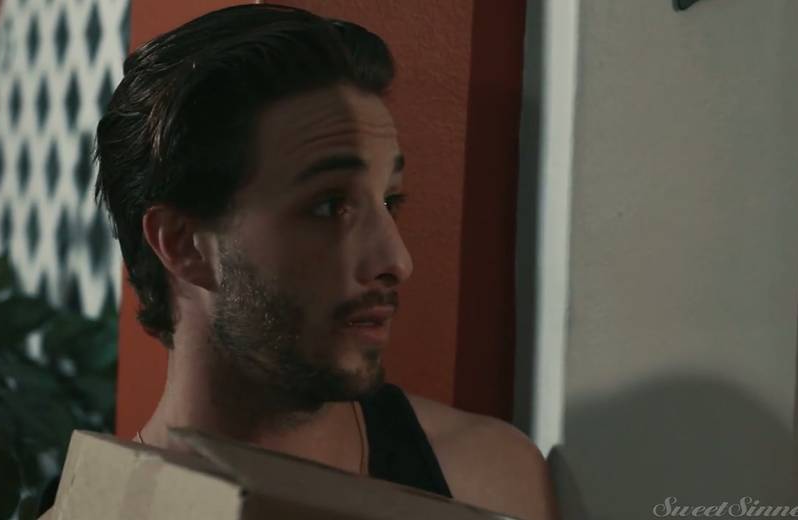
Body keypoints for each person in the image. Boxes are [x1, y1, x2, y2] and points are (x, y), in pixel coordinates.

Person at [45, 4, 559, 519]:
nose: (396, 260)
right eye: (330, 206)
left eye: (390, 201)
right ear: (184, 244)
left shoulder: (484, 480)